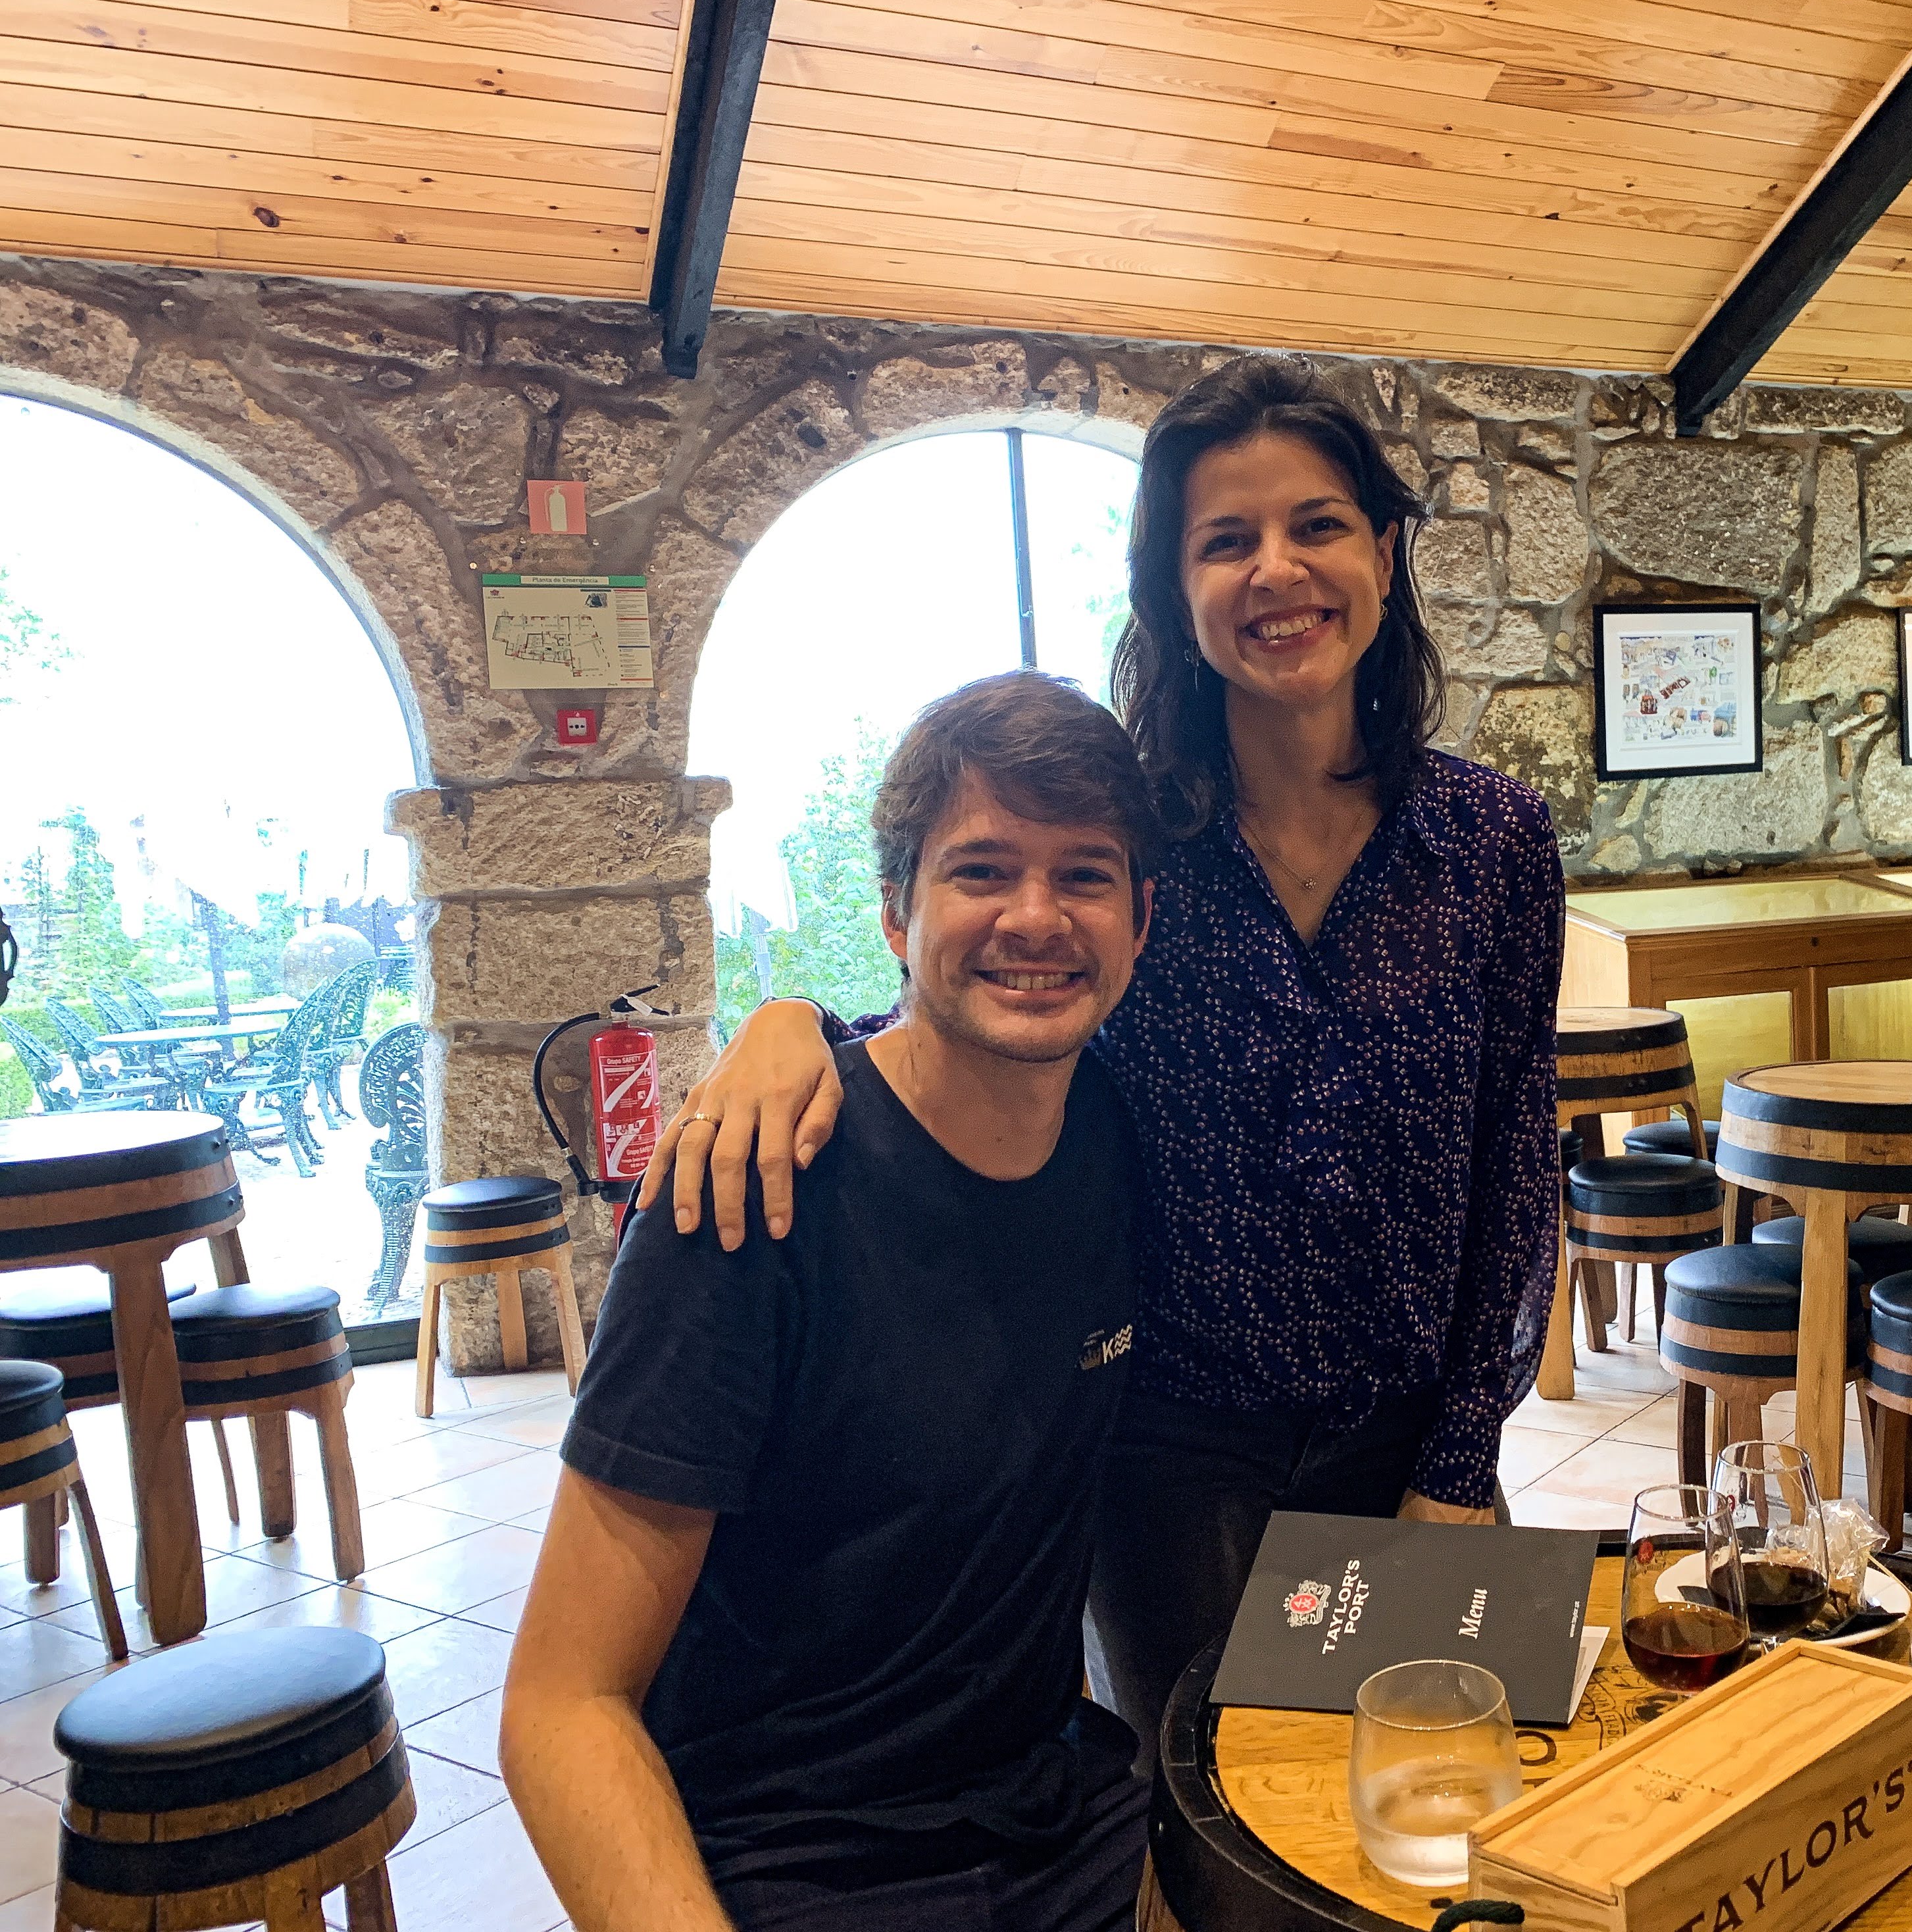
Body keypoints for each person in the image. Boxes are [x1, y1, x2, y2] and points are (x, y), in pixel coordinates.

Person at [642, 353, 1566, 1760]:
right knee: (1218, 1820)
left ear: (1384, 555)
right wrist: (793, 1027)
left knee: (1442, 1798)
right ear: (1175, 593)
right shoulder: (1136, 839)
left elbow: (1514, 1167)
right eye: (1226, 540)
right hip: (1171, 1453)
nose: (1277, 571)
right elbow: (971, 1008)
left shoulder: (1496, 842)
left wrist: (1459, 1463)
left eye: (1317, 525)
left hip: (1415, 1436)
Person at [500, 673, 1161, 1932]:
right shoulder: (746, 1196)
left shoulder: (1122, 1137)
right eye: (981, 871)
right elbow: (562, 1703)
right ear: (896, 914)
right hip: (792, 1861)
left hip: (1057, 1820)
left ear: (1142, 919)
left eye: (1084, 874)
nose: (1036, 918)